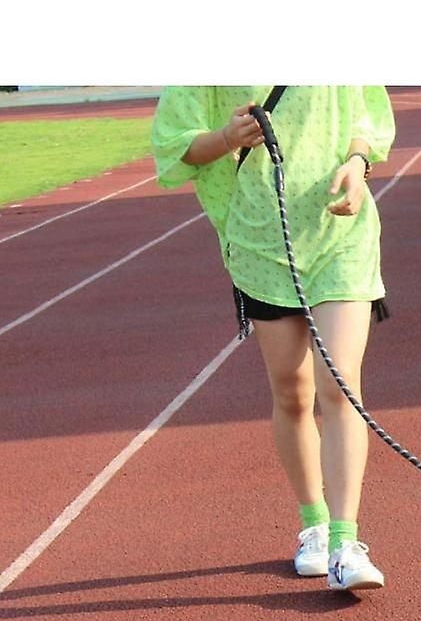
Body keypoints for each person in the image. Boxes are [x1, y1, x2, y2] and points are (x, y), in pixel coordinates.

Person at [151, 86, 396, 591]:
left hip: (340, 236)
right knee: (292, 391)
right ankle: (315, 524)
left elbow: (366, 116)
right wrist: (223, 137)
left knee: (340, 383)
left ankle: (345, 544)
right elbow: (176, 143)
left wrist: (357, 162)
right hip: (262, 241)